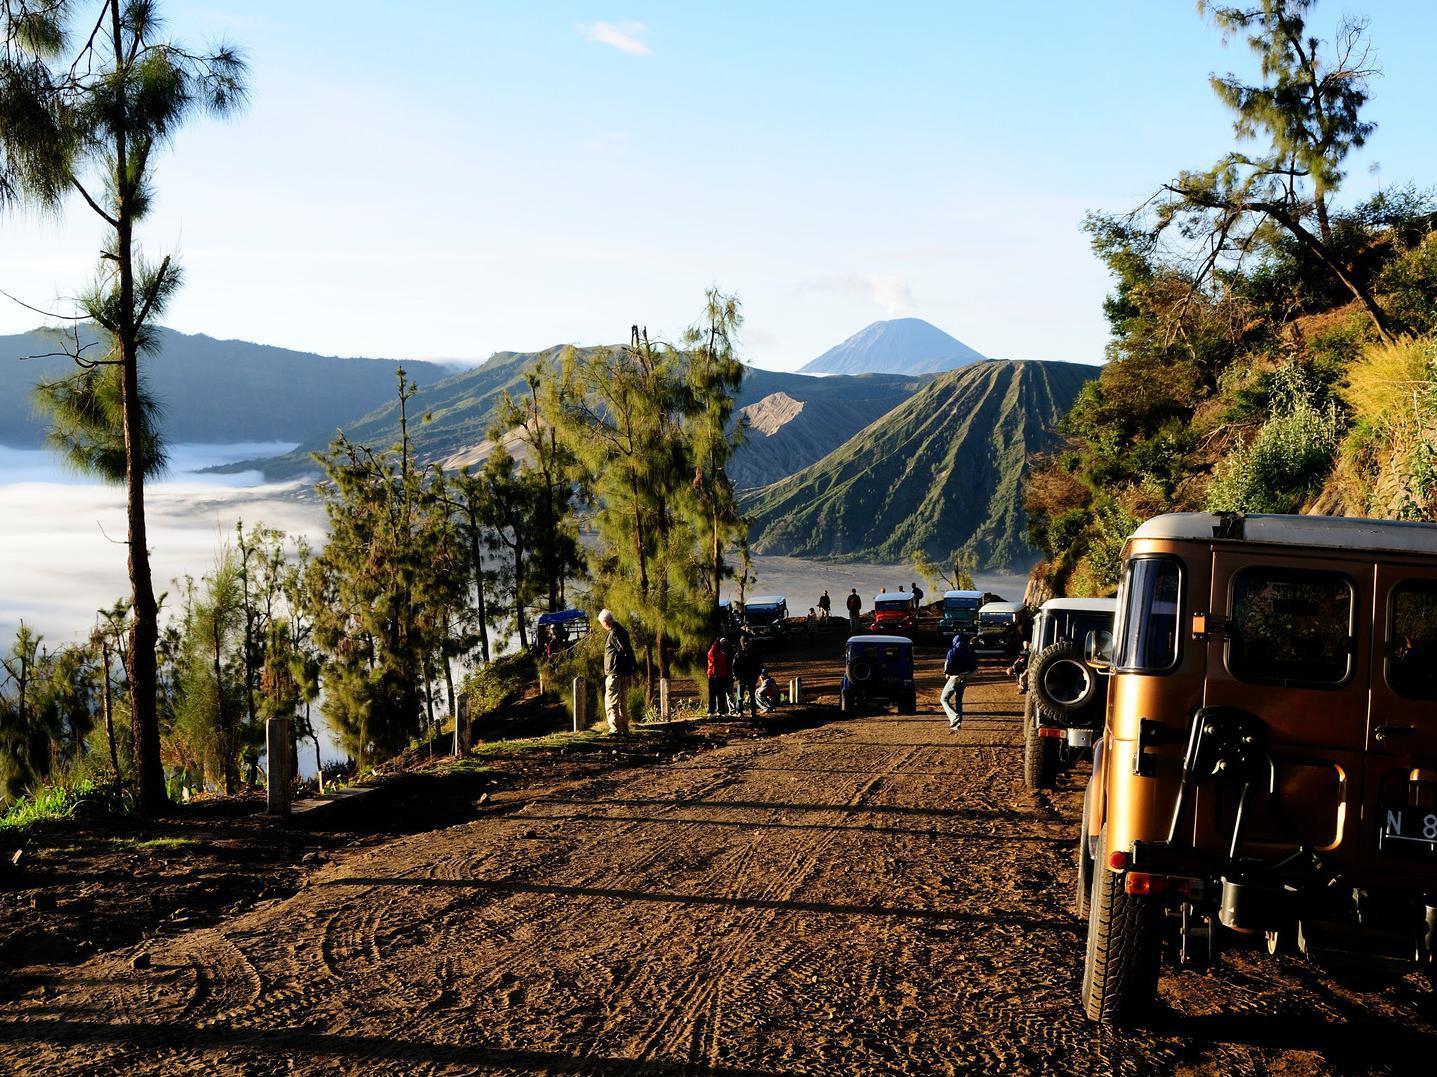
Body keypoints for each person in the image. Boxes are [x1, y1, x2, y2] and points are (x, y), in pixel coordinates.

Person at [598, 609, 637, 736]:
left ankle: (615, 729)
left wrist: (631, 668)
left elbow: (625, 650)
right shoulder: (621, 630)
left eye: (601, 623)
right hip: (623, 672)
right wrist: (632, 670)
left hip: (615, 673)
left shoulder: (615, 633)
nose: (602, 626)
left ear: (605, 622)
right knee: (622, 702)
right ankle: (624, 729)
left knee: (612, 701)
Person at [942, 633, 978, 730]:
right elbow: (974, 667)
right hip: (965, 678)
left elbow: (947, 668)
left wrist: (947, 674)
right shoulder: (969, 652)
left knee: (944, 699)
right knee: (958, 700)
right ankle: (957, 724)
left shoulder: (952, 652)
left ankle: (954, 718)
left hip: (954, 678)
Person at [731, 638, 761, 719]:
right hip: (741, 678)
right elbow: (734, 666)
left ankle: (753, 712)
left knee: (752, 696)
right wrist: (736, 675)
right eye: (744, 642)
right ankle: (740, 712)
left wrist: (756, 676)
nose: (746, 643)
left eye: (747, 641)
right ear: (742, 643)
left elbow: (759, 666)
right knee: (740, 697)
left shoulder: (754, 653)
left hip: (751, 678)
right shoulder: (738, 654)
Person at [706, 636, 732, 716]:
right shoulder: (714, 652)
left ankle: (720, 711)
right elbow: (713, 656)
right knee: (713, 695)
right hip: (714, 675)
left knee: (721, 695)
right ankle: (712, 711)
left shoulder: (721, 653)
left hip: (720, 675)